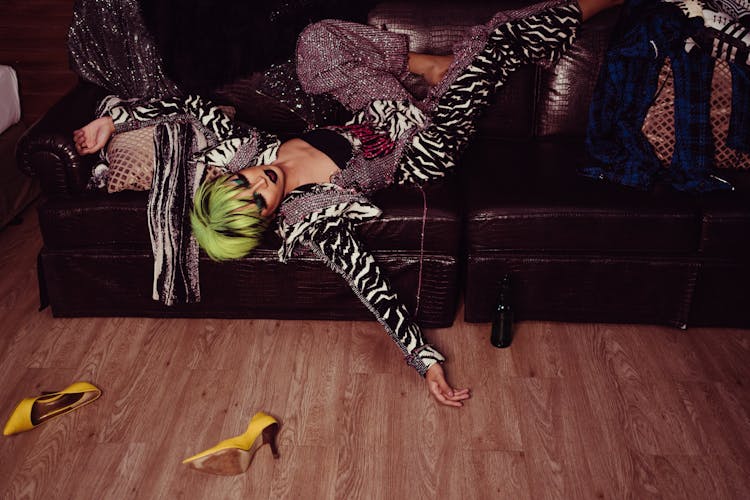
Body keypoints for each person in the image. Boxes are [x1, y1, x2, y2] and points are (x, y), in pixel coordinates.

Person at [73, 0, 624, 407]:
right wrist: (423, 358)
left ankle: (424, 64)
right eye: (259, 203)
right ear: (268, 218)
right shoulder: (306, 213)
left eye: (241, 186)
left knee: (313, 42)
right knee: (494, 50)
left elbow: (188, 104)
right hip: (418, 147)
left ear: (227, 176)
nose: (258, 186)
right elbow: (369, 283)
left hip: (378, 109)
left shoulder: (245, 147)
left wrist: (113, 118)